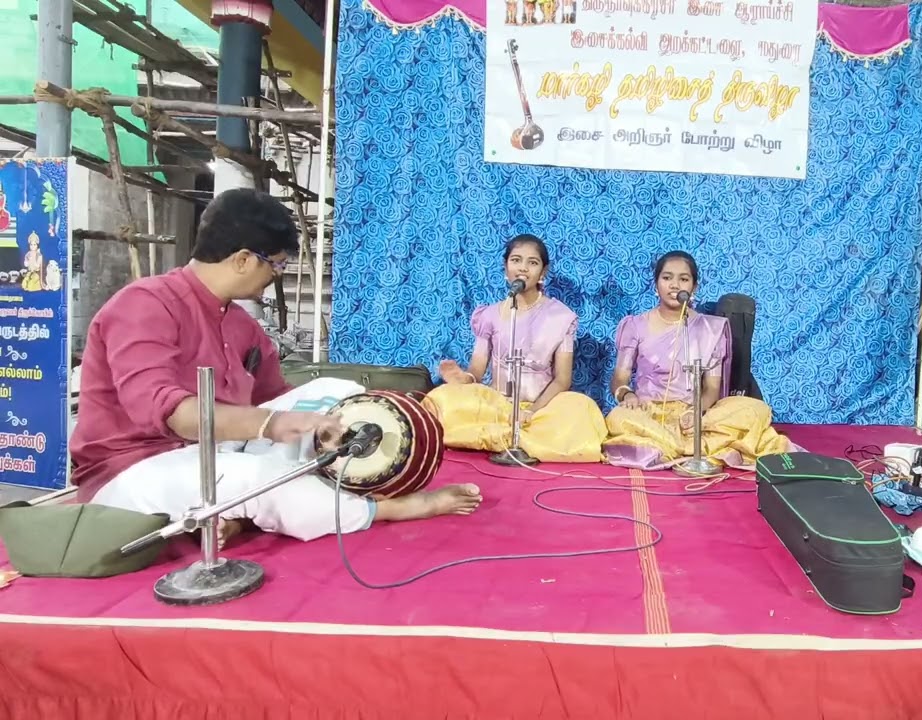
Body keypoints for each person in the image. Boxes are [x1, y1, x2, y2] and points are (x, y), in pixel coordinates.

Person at [70, 189, 481, 547]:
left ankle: (247, 509)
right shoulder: (143, 304)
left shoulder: (239, 323)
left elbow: (275, 400)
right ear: (245, 259)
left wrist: (300, 422)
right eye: (278, 265)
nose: (277, 277)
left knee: (336, 390)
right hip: (133, 470)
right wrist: (274, 425)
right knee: (261, 474)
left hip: (215, 453)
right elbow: (175, 416)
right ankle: (382, 510)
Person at [602, 251, 796, 470]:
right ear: (656, 285)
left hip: (693, 416)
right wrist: (626, 394)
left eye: (683, 279)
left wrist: (695, 412)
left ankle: (669, 447)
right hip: (647, 413)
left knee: (754, 409)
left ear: (694, 287)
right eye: (667, 278)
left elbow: (711, 388)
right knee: (619, 418)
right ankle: (692, 448)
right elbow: (619, 377)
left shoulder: (710, 329)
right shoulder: (635, 325)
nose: (674, 285)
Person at [424, 234, 606, 462]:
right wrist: (465, 380)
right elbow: (477, 369)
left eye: (532, 262)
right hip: (497, 405)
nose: (523, 268)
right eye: (516, 260)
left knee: (580, 407)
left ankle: (516, 434)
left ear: (543, 272)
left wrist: (532, 411)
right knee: (442, 399)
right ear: (505, 266)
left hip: (541, 409)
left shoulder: (561, 317)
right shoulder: (489, 315)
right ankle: (515, 435)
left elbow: (562, 379)